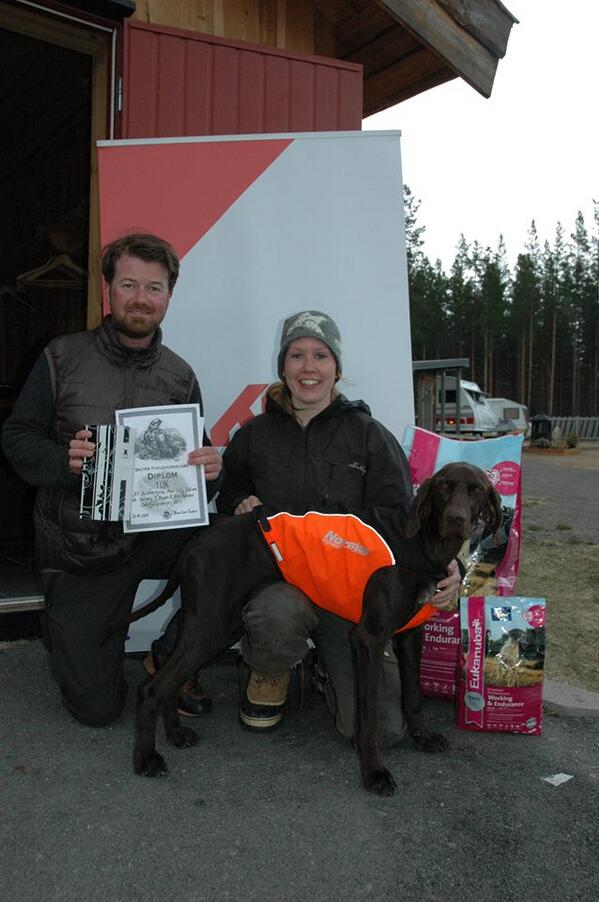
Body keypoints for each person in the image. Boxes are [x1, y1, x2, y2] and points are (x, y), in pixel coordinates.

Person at [1, 233, 222, 727]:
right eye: (129, 284)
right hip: (81, 552)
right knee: (97, 710)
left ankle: (168, 657)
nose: (141, 298)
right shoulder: (61, 358)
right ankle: (74, 632)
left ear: (169, 295)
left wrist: (210, 473)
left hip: (150, 537)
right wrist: (63, 461)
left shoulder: (179, 375)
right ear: (108, 290)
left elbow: (197, 474)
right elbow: (16, 437)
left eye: (154, 287)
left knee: (237, 543)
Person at [218, 310, 460, 745]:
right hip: (281, 585)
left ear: (336, 368)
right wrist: (237, 503)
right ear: (283, 366)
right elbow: (226, 496)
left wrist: (450, 566)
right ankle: (271, 669)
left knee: (383, 733)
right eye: (296, 355)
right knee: (276, 613)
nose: (308, 368)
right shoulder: (254, 435)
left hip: (353, 597)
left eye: (320, 355)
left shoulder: (370, 435)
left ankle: (328, 670)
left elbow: (408, 522)